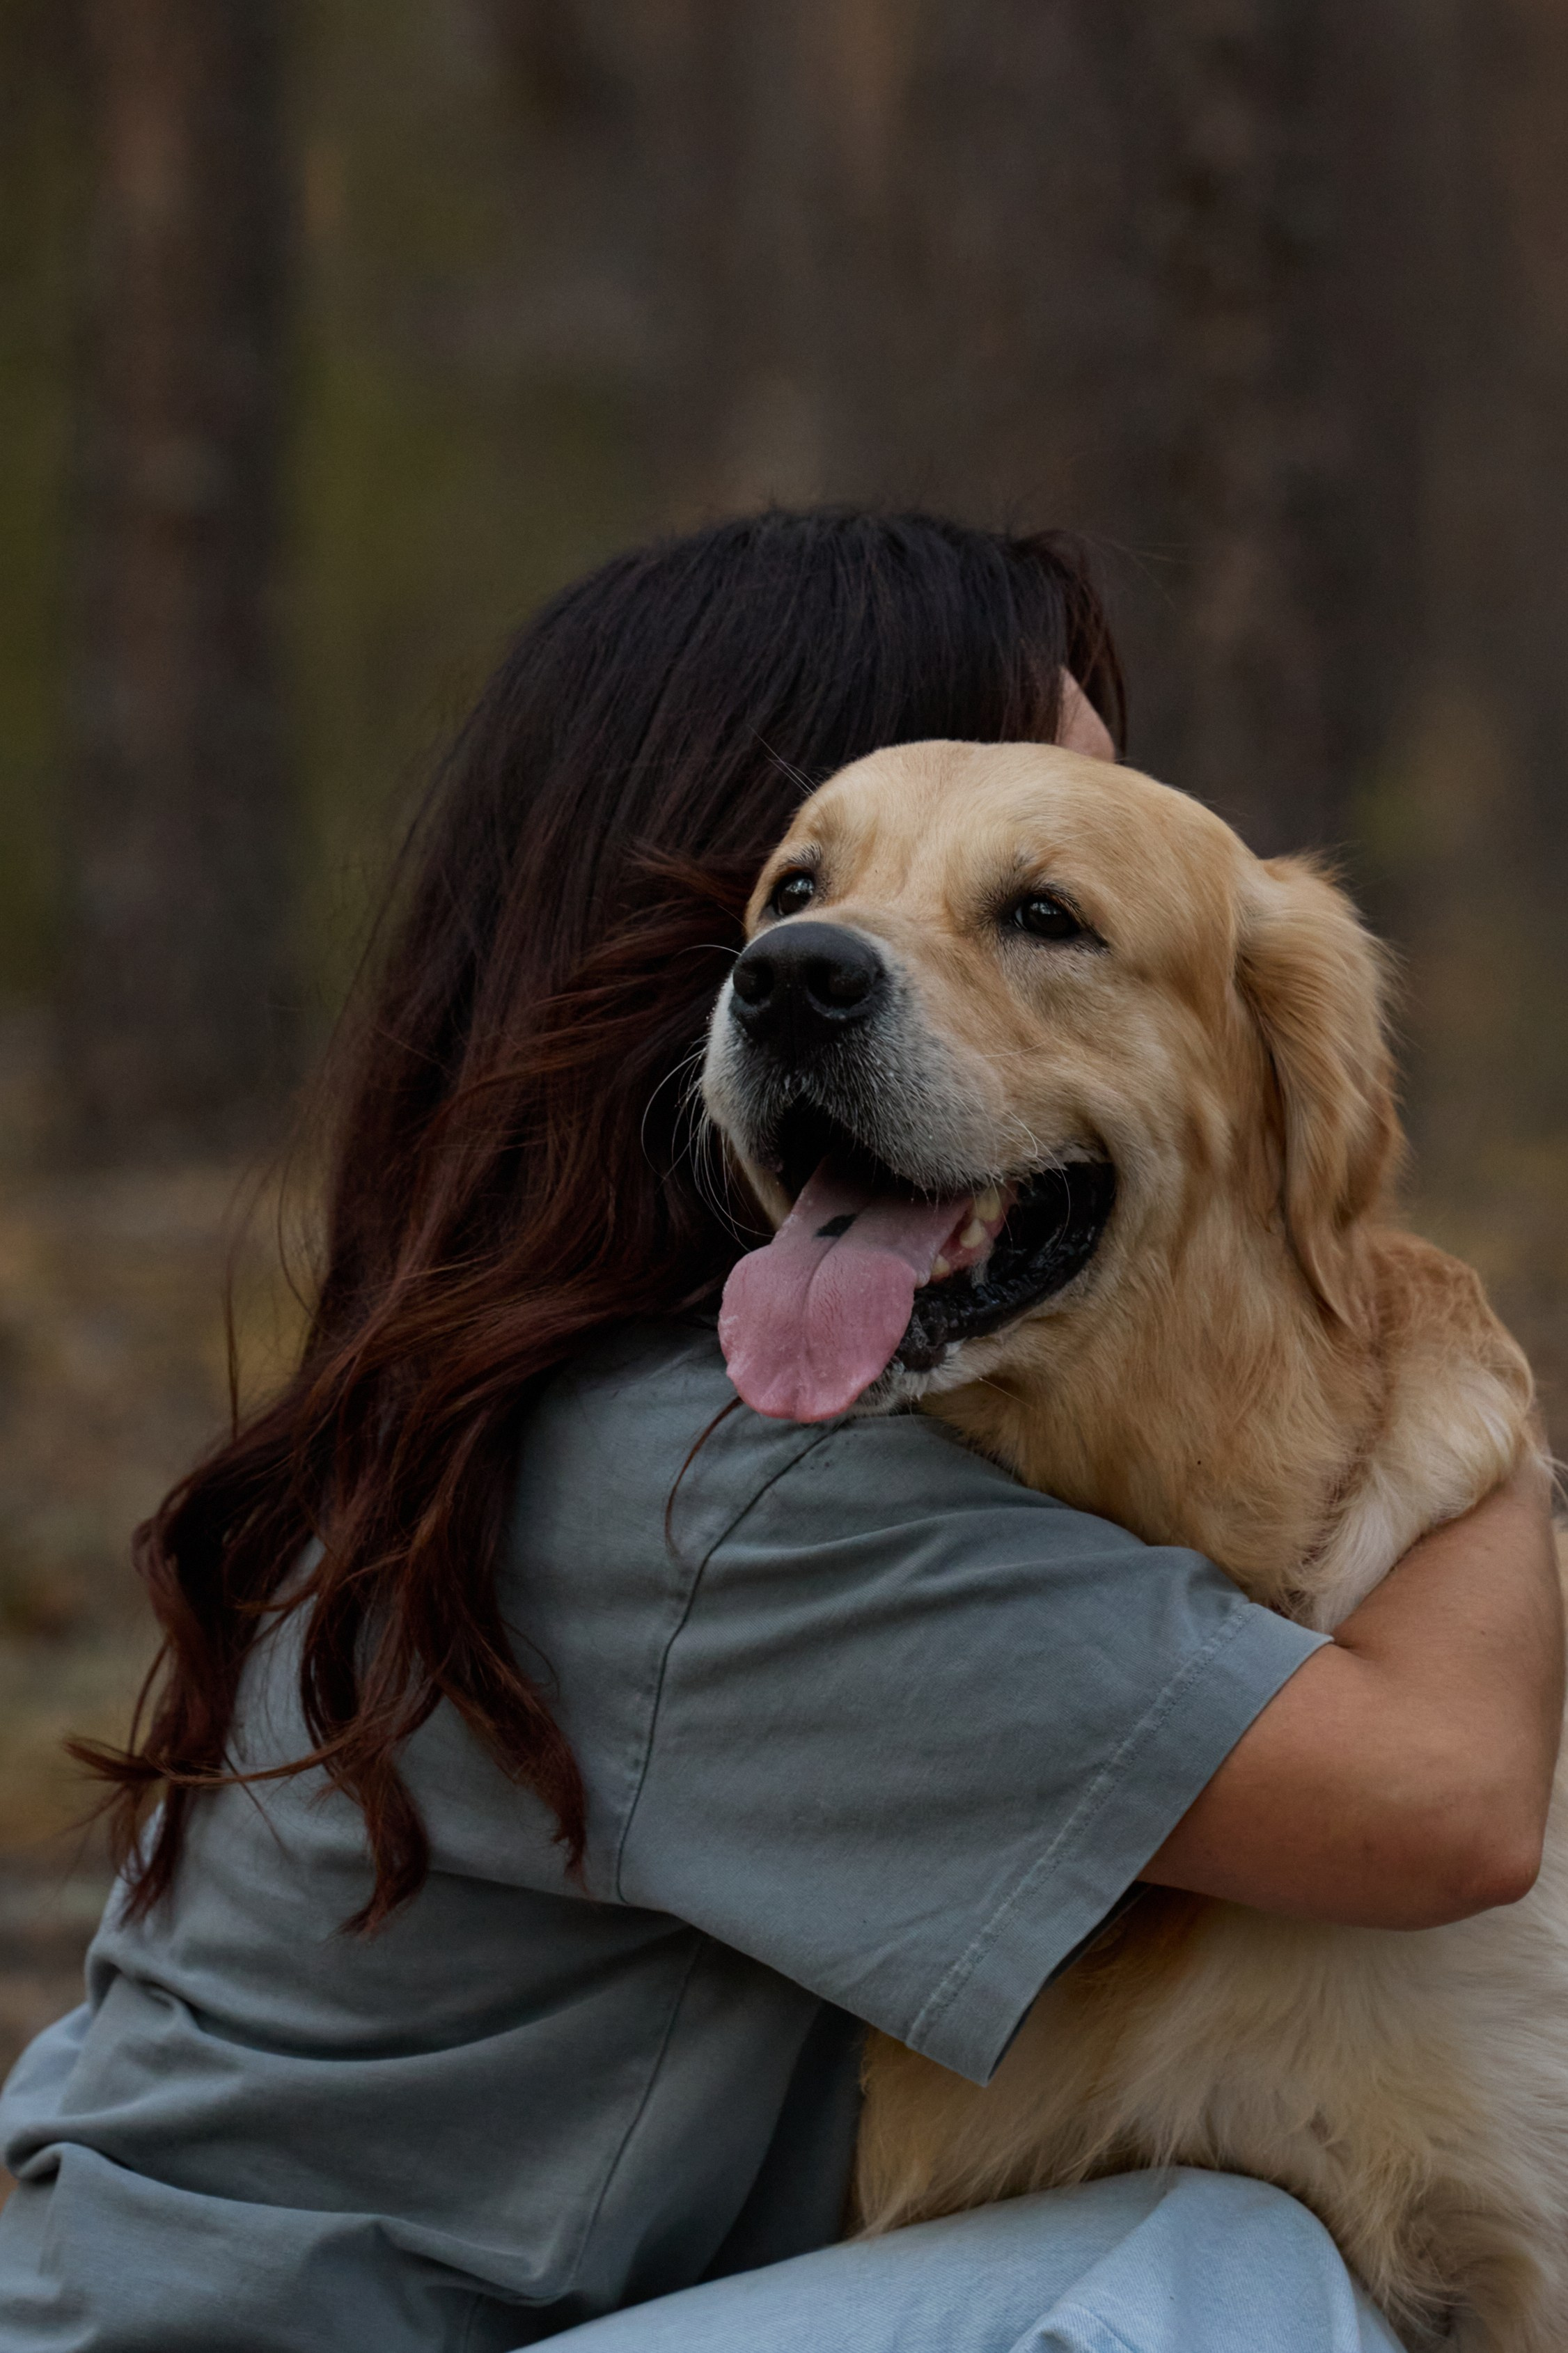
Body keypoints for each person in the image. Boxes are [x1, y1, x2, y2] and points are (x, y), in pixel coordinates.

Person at [0, 510, 1557, 2353]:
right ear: (668, 948)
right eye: (806, 894)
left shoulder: (584, 1403)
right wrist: (1466, 1382)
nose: (840, 961)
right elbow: (1445, 1802)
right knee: (1211, 2283)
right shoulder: (696, 1495)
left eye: (1044, 908)